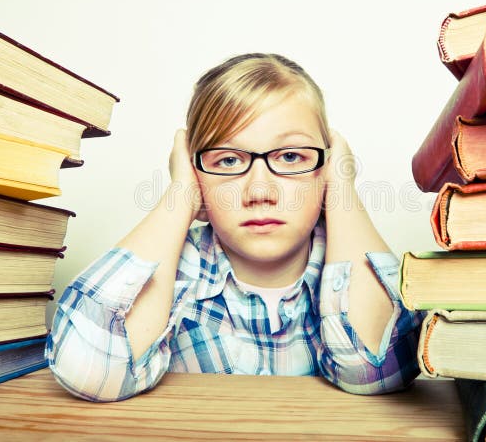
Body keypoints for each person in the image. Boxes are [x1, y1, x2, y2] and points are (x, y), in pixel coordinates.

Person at [46, 53, 421, 401]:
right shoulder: (177, 270)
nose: (259, 191)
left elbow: (377, 371)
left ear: (324, 167)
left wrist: (341, 189)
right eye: (227, 160)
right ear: (196, 174)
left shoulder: (345, 266)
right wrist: (180, 196)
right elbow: (91, 372)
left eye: (291, 156)